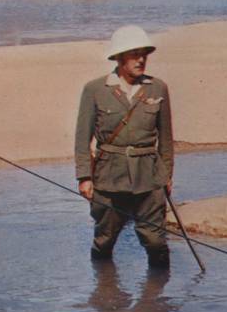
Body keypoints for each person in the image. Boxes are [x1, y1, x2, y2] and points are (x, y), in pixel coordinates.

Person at [74, 25, 174, 268]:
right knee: (105, 239)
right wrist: (85, 177)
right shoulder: (95, 89)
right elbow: (82, 137)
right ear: (119, 57)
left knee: (155, 241)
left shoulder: (157, 88)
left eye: (144, 54)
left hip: (148, 177)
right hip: (109, 177)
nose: (141, 60)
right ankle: (104, 294)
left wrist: (166, 176)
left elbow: (167, 140)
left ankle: (158, 300)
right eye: (134, 54)